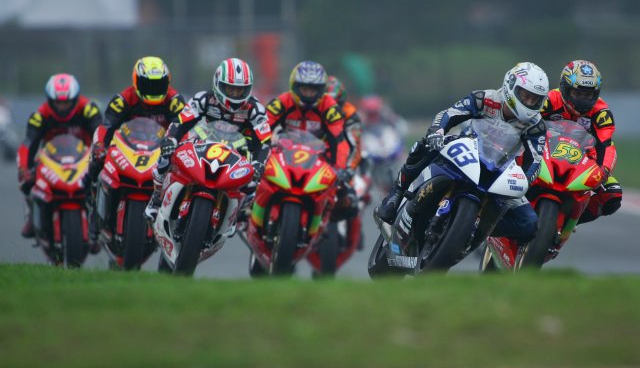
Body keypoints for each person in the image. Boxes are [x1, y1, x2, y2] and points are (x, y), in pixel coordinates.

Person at [376, 62, 550, 244]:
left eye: (535, 99)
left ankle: (480, 228)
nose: (529, 103)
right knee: (424, 145)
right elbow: (450, 114)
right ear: (511, 85)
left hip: (500, 170)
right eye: (525, 96)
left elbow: (535, 160)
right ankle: (396, 194)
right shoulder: (485, 98)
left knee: (529, 225)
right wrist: (437, 131)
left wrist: (524, 180)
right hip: (466, 150)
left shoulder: (536, 125)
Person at [143, 57, 272, 222]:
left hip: (236, 153)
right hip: (202, 145)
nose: (234, 94)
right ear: (218, 84)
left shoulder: (256, 109)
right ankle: (156, 199)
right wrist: (170, 140)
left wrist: (259, 163)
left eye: (239, 90)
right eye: (230, 89)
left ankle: (236, 217)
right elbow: (181, 122)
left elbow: (265, 142)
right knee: (165, 158)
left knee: (254, 183)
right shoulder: (202, 99)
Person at [85, 56, 186, 242]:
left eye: (158, 85)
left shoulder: (175, 101)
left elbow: (184, 129)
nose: (153, 90)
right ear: (136, 82)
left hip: (160, 151)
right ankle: (92, 208)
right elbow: (106, 126)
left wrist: (179, 149)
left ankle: (178, 222)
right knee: (96, 161)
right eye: (148, 85)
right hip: (129, 149)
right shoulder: (123, 99)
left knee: (184, 173)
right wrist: (99, 146)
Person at [266, 61, 357, 218]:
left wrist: (339, 167)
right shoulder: (282, 101)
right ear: (295, 86)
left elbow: (339, 140)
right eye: (305, 89)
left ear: (321, 90)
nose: (309, 94)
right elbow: (263, 128)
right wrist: (259, 155)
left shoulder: (329, 106)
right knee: (255, 180)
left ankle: (323, 220)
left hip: (319, 157)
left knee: (349, 199)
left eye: (313, 90)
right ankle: (249, 214)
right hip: (284, 153)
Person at [17, 73, 102, 241]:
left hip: (84, 160)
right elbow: (27, 145)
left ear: (75, 99)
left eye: (66, 102)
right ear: (50, 100)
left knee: (101, 175)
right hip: (52, 161)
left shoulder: (88, 109)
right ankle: (31, 214)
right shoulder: (39, 116)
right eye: (58, 102)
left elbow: (101, 133)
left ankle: (97, 217)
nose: (62, 107)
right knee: (27, 181)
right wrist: (24, 169)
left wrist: (99, 155)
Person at [540, 60, 621, 223]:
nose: (582, 100)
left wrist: (603, 170)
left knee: (612, 194)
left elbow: (606, 144)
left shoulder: (602, 113)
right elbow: (527, 124)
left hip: (582, 160)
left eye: (588, 95)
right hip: (543, 152)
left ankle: (570, 221)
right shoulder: (548, 100)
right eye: (577, 93)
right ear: (565, 88)